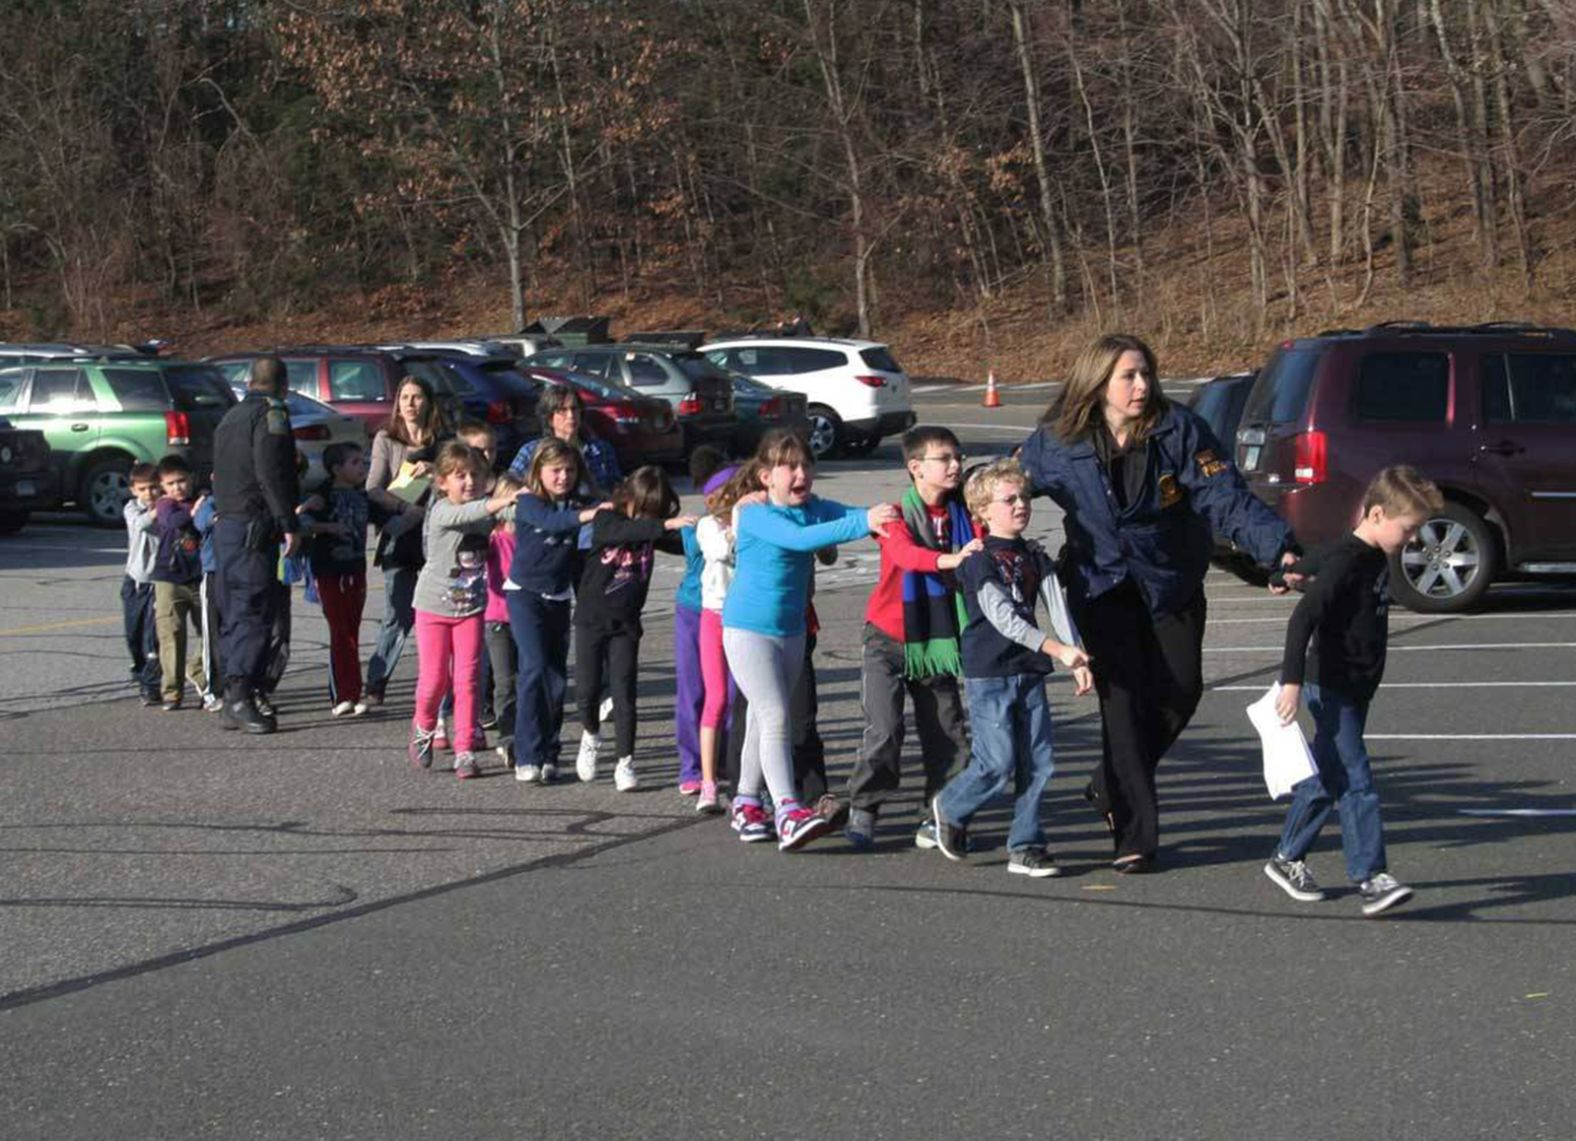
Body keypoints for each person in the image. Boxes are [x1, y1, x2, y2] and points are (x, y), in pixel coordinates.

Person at [1018, 334, 1297, 872]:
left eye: (1146, 373)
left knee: (1181, 689)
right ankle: (1134, 836)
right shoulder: (1057, 441)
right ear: (1099, 383)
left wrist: (1277, 548)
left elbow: (1225, 497)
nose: (1142, 386)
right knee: (1121, 709)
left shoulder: (1180, 430)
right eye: (1129, 376)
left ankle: (1110, 784)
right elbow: (1003, 488)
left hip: (1170, 579)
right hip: (1100, 586)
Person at [1264, 466, 1441, 917]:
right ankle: (1371, 877)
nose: (1413, 539)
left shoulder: (1363, 553)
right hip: (1330, 686)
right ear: (1378, 514)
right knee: (1357, 780)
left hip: (1356, 686)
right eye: (1409, 529)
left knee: (1326, 778)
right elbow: (1302, 619)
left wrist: (1287, 574)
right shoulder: (1350, 560)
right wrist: (1290, 682)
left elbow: (1317, 559)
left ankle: (1286, 858)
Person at [722, 429, 897, 851]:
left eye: (806, 465)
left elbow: (846, 516)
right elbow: (802, 539)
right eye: (789, 467)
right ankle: (787, 810)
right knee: (775, 713)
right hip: (747, 629)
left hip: (792, 628)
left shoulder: (813, 508)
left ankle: (746, 802)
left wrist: (888, 516)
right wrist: (864, 521)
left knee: (765, 720)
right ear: (765, 477)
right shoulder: (756, 514)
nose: (801, 474)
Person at [930, 460, 1093, 877]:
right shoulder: (978, 561)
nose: (1020, 505)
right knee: (997, 763)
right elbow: (1002, 616)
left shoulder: (1035, 554)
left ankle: (1026, 845)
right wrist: (1057, 649)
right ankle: (949, 807)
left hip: (1029, 669)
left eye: (1023, 497)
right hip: (990, 671)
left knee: (1038, 762)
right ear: (982, 511)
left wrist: (1076, 654)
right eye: (1009, 499)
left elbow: (1056, 604)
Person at [842, 426, 982, 851]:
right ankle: (864, 807)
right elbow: (903, 555)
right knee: (884, 730)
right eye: (945, 458)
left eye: (957, 457)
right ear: (916, 468)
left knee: (947, 730)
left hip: (937, 639)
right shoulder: (893, 516)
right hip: (888, 635)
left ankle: (941, 813)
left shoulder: (966, 512)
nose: (955, 465)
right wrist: (950, 559)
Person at [572, 467, 695, 791]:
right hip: (590, 620)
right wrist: (661, 525)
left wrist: (709, 531)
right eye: (645, 510)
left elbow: (680, 542)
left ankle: (625, 761)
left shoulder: (652, 531)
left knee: (624, 693)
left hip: (625, 625)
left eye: (656, 513)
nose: (649, 519)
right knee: (586, 691)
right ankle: (591, 734)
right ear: (629, 498)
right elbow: (620, 534)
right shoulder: (606, 518)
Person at [407, 442, 521, 779]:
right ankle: (424, 726)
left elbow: (513, 515)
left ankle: (465, 750)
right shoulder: (443, 510)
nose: (469, 481)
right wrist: (499, 501)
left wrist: (533, 502)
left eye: (475, 475)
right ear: (443, 482)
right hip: (432, 607)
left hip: (471, 609)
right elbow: (469, 514)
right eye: (460, 476)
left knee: (468, 680)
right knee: (434, 681)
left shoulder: (485, 510)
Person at [506, 439, 604, 784]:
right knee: (533, 667)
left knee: (556, 677)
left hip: (558, 596)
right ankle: (526, 754)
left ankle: (550, 751)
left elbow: (612, 507)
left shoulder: (580, 502)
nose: (563, 476)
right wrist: (588, 514)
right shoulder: (529, 502)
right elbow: (552, 522)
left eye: (570, 470)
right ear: (539, 472)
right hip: (524, 594)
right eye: (556, 470)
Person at [212, 355, 301, 733]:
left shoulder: (229, 417)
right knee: (254, 609)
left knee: (233, 611)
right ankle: (241, 695)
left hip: (227, 525)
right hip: (253, 525)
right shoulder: (271, 414)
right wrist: (288, 522)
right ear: (283, 385)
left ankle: (231, 693)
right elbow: (271, 471)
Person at [364, 375, 450, 705]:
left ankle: (443, 689)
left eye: (416, 397)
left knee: (441, 616)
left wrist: (432, 474)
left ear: (428, 401)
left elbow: (460, 483)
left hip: (436, 537)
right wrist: (405, 508)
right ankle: (376, 681)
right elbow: (372, 488)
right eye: (404, 398)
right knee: (397, 614)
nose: (410, 404)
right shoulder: (387, 438)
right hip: (400, 533)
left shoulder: (443, 441)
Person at [300, 441, 395, 716]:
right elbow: (301, 523)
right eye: (355, 463)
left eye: (364, 462)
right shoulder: (322, 495)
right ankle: (342, 694)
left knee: (352, 631)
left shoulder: (363, 497)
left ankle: (353, 692)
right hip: (329, 570)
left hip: (356, 569)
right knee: (339, 631)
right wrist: (327, 526)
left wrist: (416, 514)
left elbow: (390, 522)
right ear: (336, 468)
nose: (362, 467)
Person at [674, 445, 732, 801]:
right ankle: (692, 767)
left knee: (733, 691)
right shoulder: (700, 528)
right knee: (695, 690)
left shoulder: (750, 518)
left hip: (736, 614)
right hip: (696, 610)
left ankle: (725, 760)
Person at [150, 455, 212, 711]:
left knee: (209, 632)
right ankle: (171, 691)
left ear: (191, 479)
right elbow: (173, 522)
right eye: (171, 483)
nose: (178, 487)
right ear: (163, 486)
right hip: (170, 578)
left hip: (199, 577)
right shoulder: (165, 505)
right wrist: (195, 509)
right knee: (171, 635)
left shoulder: (202, 499)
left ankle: (199, 672)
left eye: (182, 481)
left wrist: (203, 503)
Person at [506, 384, 620, 495]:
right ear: (550, 418)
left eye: (574, 409)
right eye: (562, 410)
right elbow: (508, 486)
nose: (571, 415)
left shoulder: (601, 449)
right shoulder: (531, 451)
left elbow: (616, 487)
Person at [484, 473, 525, 766]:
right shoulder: (492, 538)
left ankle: (528, 733)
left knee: (528, 679)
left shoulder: (530, 536)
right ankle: (507, 737)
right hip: (497, 618)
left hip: (527, 616)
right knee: (505, 681)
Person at [121, 462, 163, 706]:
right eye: (143, 489)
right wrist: (160, 508)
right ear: (134, 490)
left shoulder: (168, 509)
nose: (149, 494)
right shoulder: (132, 509)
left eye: (154, 488)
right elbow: (141, 525)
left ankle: (151, 685)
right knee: (133, 634)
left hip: (157, 583)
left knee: (152, 638)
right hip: (135, 581)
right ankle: (139, 672)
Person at [192, 485, 223, 704]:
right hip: (214, 572)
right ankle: (213, 688)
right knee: (213, 631)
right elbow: (202, 521)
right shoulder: (210, 502)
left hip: (241, 571)